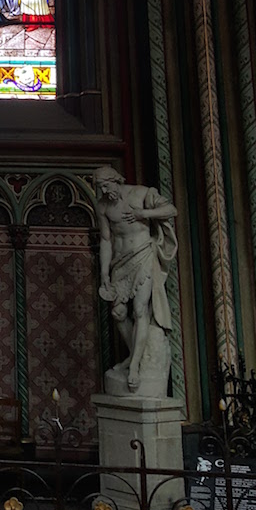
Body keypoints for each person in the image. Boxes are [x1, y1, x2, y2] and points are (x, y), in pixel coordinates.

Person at [95, 165, 178, 394]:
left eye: (105, 185)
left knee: (140, 310)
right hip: (119, 263)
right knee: (118, 313)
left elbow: (171, 209)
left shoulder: (141, 193)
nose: (103, 190)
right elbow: (105, 239)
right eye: (100, 187)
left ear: (115, 179)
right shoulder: (102, 206)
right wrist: (103, 272)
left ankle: (133, 367)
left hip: (142, 255)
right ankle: (135, 354)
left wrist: (144, 214)